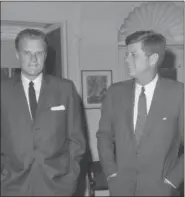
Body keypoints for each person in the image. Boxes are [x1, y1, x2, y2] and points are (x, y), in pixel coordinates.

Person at [96, 30, 184, 196]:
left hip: (161, 191)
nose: (126, 60)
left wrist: (173, 180)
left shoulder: (178, 94)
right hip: (121, 189)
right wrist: (111, 173)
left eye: (133, 55)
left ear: (153, 59)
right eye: (126, 54)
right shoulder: (115, 93)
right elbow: (104, 136)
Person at [1, 28, 86, 196]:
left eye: (39, 53)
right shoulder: (2, 91)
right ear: (18, 55)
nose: (34, 59)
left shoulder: (65, 89)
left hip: (57, 187)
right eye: (27, 53)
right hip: (12, 187)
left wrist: (70, 179)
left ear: (45, 56)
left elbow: (77, 141)